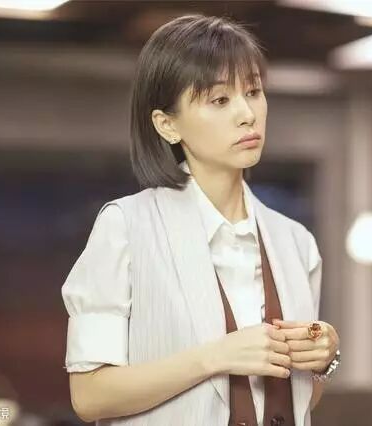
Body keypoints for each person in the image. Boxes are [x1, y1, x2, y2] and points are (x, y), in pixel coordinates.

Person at [61, 14, 340, 426]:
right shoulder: (126, 227)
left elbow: (301, 401)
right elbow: (89, 397)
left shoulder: (296, 242)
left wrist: (322, 360)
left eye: (253, 91)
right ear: (167, 125)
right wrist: (214, 357)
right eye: (220, 100)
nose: (247, 114)